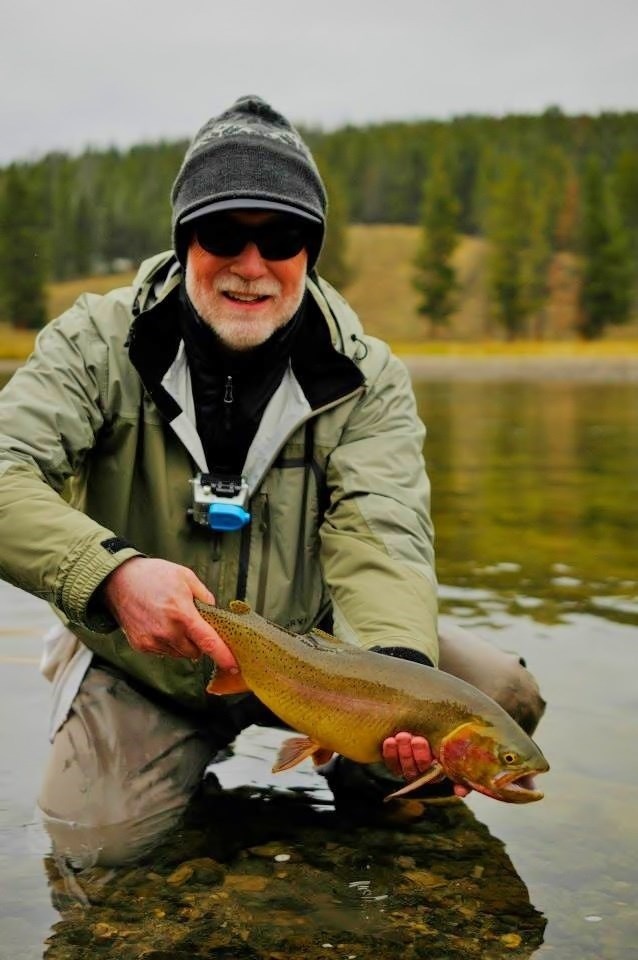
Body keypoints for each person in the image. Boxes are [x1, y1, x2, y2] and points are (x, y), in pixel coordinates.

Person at [0, 95, 545, 868]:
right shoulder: (95, 344)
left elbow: (380, 530)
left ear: (309, 251)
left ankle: (368, 784)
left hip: (321, 660)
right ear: (186, 239)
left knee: (501, 698)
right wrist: (111, 575)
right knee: (99, 847)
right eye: (223, 233)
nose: (251, 266)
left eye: (282, 237)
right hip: (146, 662)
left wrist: (395, 672)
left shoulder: (367, 376)